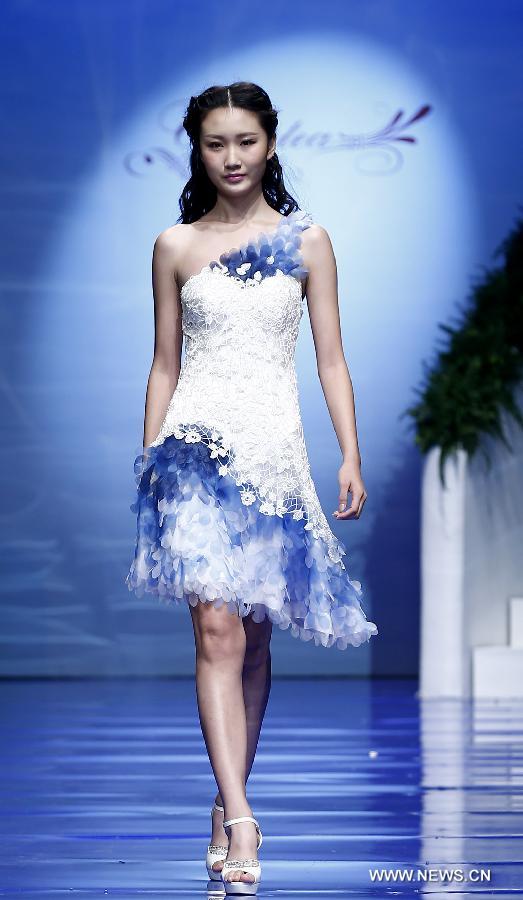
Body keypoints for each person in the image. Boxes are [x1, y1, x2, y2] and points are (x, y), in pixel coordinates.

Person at [125, 81, 378, 895]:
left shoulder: (309, 242)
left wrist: (349, 454)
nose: (230, 158)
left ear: (269, 142)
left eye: (244, 141)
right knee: (217, 632)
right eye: (213, 144)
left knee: (256, 638)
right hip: (192, 454)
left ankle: (225, 798)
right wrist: (148, 466)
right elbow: (164, 363)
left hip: (273, 458)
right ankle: (241, 816)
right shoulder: (173, 244)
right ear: (195, 150)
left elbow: (330, 357)